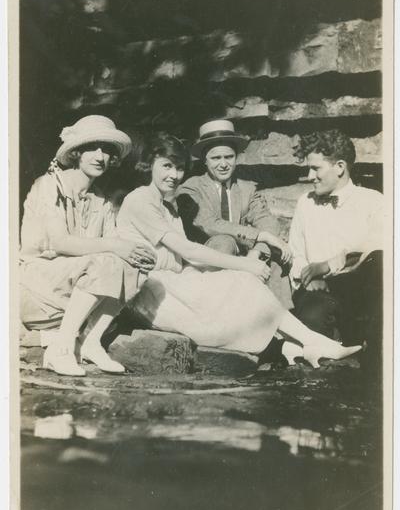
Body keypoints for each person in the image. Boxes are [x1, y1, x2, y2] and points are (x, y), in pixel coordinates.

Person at [116, 131, 361, 369]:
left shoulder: (168, 205)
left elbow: (266, 223)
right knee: (237, 271)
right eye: (167, 166)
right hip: (152, 291)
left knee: (245, 279)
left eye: (179, 168)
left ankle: (306, 343)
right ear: (150, 164)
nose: (174, 175)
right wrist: (245, 264)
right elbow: (192, 246)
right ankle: (293, 345)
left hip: (177, 279)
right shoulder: (145, 199)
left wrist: (256, 253)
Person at [20, 115, 156, 376]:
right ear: (76, 153)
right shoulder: (48, 185)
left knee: (134, 267)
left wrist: (135, 254)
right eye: (92, 147)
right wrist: (116, 247)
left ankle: (90, 342)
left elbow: (116, 252)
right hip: (36, 286)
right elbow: (60, 242)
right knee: (106, 260)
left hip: (76, 291)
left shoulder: (100, 200)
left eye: (107, 150)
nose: (100, 156)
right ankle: (61, 348)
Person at [176, 119, 293, 307]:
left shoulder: (247, 189)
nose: (223, 164)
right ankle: (219, 314)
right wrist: (259, 236)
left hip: (247, 256)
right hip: (206, 261)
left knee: (275, 256)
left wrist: (258, 251)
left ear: (236, 157)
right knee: (224, 241)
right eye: (216, 158)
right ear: (204, 160)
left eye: (229, 157)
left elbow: (267, 222)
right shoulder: (191, 189)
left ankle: (280, 325)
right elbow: (208, 223)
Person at [288, 128, 383, 351]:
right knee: (312, 318)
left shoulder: (373, 201)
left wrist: (327, 266)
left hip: (357, 292)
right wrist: (309, 278)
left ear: (340, 167)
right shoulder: (305, 203)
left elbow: (374, 250)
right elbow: (296, 252)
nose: (310, 177)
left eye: (316, 168)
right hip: (316, 291)